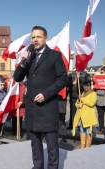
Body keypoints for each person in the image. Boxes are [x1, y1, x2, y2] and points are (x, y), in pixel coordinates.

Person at [14, 26, 68, 169]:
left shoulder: (55, 56)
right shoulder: (29, 57)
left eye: (38, 37)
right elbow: (17, 77)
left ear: (46, 38)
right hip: (32, 108)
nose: (35, 40)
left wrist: (46, 94)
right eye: (33, 37)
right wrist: (22, 62)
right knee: (35, 145)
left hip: (48, 107)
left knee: (51, 146)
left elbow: (63, 79)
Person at [72, 79, 98, 149]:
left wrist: (82, 99)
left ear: (90, 86)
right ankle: (82, 146)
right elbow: (76, 104)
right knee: (82, 131)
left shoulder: (93, 93)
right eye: (84, 86)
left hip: (88, 116)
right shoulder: (82, 93)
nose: (85, 87)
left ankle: (87, 146)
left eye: (87, 86)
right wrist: (78, 105)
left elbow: (91, 103)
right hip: (81, 116)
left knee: (88, 131)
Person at [96, 66, 105, 135]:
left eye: (102, 72)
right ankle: (102, 129)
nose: (101, 73)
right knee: (100, 116)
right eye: (101, 72)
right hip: (99, 100)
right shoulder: (97, 79)